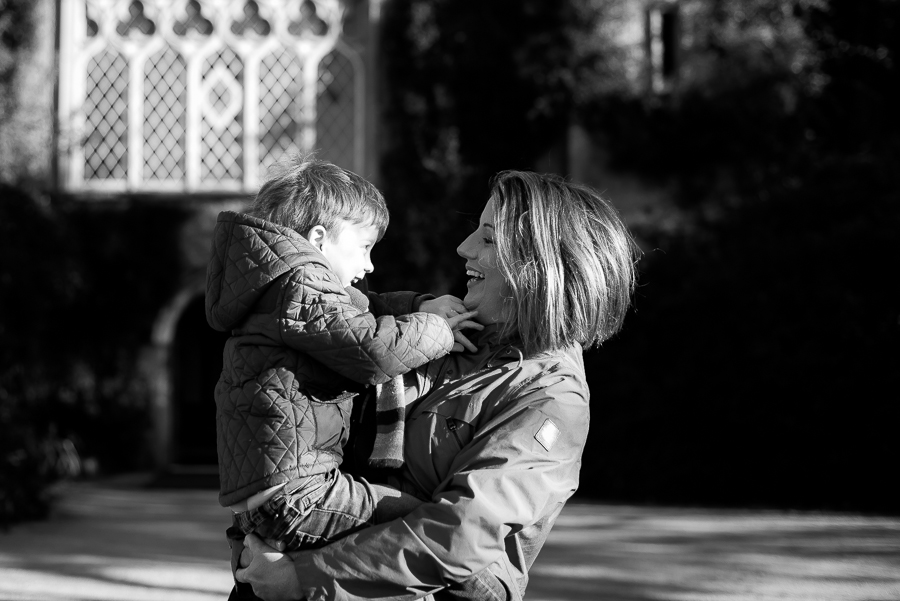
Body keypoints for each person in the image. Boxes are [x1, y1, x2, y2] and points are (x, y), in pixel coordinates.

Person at [233, 170, 641, 601]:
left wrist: (304, 578)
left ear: (541, 268)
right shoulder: (443, 335)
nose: (463, 248)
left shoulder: (551, 399)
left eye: (487, 239)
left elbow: (463, 533)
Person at [205, 154, 482, 600]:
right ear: (318, 238)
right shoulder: (300, 285)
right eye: (364, 247)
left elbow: (359, 311)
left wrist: (417, 306)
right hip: (299, 493)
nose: (370, 266)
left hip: (274, 494)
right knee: (426, 528)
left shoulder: (281, 286)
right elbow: (369, 347)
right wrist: (439, 329)